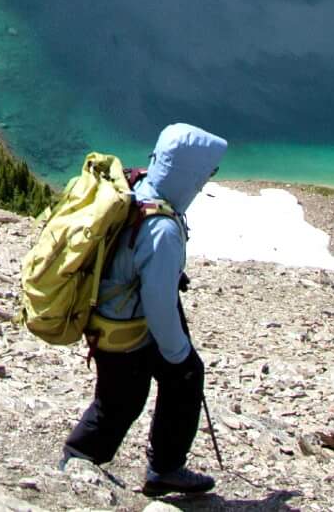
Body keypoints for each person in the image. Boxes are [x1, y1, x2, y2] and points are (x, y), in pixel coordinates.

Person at [61, 122, 229, 497]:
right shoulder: (163, 229)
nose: (207, 180)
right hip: (126, 329)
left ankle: (154, 466)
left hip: (109, 318)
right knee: (150, 389)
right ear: (189, 173)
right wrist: (179, 353)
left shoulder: (137, 188)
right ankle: (80, 460)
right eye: (207, 172)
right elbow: (158, 302)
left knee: (126, 397)